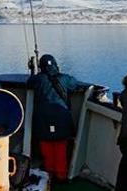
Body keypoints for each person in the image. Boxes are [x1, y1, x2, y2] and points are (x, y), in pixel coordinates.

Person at [27, 54, 80, 183]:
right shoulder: (65, 79)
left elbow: (29, 82)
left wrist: (33, 71)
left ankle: (49, 174)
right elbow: (75, 84)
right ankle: (61, 175)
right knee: (60, 146)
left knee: (46, 145)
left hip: (44, 119)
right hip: (62, 118)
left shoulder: (38, 79)